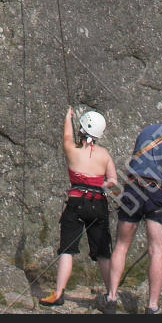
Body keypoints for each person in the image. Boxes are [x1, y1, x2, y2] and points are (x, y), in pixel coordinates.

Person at [98, 103, 162, 315]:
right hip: (157, 194)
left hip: (132, 191)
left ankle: (111, 298)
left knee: (121, 246)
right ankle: (152, 307)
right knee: (156, 250)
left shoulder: (147, 132)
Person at [40, 108, 118, 307]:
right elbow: (113, 181)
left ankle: (59, 293)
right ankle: (111, 296)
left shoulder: (72, 151)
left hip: (76, 203)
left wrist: (68, 117)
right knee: (103, 251)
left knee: (67, 249)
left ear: (82, 130)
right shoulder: (105, 155)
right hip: (98, 203)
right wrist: (101, 186)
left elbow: (67, 136)